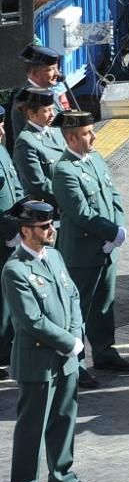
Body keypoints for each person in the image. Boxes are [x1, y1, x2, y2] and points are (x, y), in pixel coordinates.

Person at [5, 201, 95, 482]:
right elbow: (31, 320)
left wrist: (74, 335)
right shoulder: (15, 269)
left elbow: (72, 296)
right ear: (25, 230)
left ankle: (62, 475)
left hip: (66, 356)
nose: (51, 230)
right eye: (44, 227)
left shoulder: (54, 257)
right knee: (33, 424)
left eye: (50, 224)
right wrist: (68, 341)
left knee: (64, 418)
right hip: (38, 361)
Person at [51, 110, 129, 391]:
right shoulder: (64, 170)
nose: (94, 136)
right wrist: (112, 232)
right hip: (83, 253)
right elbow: (81, 212)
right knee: (79, 311)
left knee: (103, 304)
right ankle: (76, 364)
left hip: (106, 248)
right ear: (72, 137)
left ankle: (105, 352)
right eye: (87, 133)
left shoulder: (96, 159)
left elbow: (113, 196)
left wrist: (118, 227)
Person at [0, 107, 23, 380]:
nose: (3, 130)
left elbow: (14, 189)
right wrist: (9, 230)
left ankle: (4, 348)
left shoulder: (3, 150)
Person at [12, 88, 66, 206]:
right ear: (31, 114)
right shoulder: (26, 142)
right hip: (50, 206)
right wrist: (67, 196)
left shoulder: (56, 131)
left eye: (52, 109)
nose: (52, 114)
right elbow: (38, 184)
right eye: (46, 111)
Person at [8, 44, 66, 145]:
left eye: (57, 69)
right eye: (51, 69)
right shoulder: (27, 99)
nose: (58, 74)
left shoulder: (47, 91)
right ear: (34, 74)